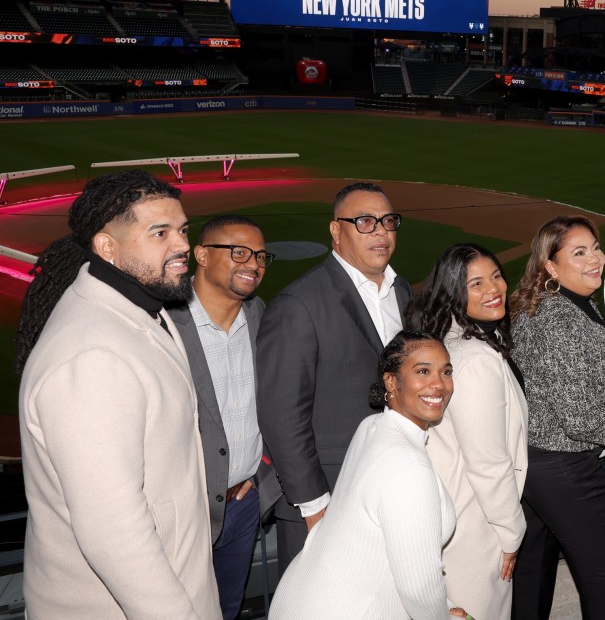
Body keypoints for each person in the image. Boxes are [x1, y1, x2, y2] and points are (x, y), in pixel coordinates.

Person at [14, 169, 220, 618]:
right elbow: (113, 533)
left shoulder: (145, 309)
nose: (183, 245)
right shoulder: (91, 357)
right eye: (159, 233)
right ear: (108, 247)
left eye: (182, 230)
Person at [256, 182, 413, 570]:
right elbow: (281, 414)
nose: (380, 231)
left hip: (394, 485)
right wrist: (314, 505)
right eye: (364, 221)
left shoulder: (402, 292)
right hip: (326, 497)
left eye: (387, 221)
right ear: (335, 230)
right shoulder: (299, 303)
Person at [268, 330, 469, 620]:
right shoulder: (407, 465)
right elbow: (419, 587)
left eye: (446, 371)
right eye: (423, 371)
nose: (439, 384)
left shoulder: (372, 426)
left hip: (302, 599)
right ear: (391, 380)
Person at [509, 216, 605, 620]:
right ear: (550, 266)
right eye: (579, 252)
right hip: (562, 465)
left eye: (596, 248)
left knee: (532, 573)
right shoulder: (558, 319)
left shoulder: (559, 304)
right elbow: (580, 419)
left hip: (538, 462)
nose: (595, 259)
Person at [167, 215, 283, 620]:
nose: (253, 263)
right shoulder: (165, 325)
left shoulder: (258, 315)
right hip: (186, 510)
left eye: (260, 256)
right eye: (238, 252)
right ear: (200, 255)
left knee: (227, 609)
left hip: (244, 502)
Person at [407, 243, 528, 619]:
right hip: (476, 527)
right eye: (475, 283)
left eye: (495, 276)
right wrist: (511, 532)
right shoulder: (473, 358)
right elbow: (488, 462)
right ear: (453, 292)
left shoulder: (444, 341)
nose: (493, 289)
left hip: (451, 522)